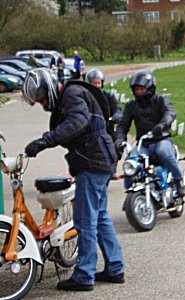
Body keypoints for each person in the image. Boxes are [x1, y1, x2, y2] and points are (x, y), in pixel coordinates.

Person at [22, 68, 125, 292]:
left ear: (47, 89)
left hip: (93, 161)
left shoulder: (72, 94)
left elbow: (78, 121)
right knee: (100, 217)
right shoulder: (74, 93)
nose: (42, 105)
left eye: (41, 99)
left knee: (85, 220)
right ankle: (115, 268)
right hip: (100, 160)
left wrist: (44, 141)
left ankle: (84, 275)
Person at [115, 70, 185, 196]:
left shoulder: (161, 100)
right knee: (131, 161)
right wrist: (119, 138)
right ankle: (130, 192)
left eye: (141, 89)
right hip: (143, 143)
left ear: (150, 88)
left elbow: (170, 113)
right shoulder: (131, 105)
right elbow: (123, 124)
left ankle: (179, 181)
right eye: (136, 89)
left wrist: (162, 125)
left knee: (163, 152)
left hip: (162, 139)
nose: (138, 91)